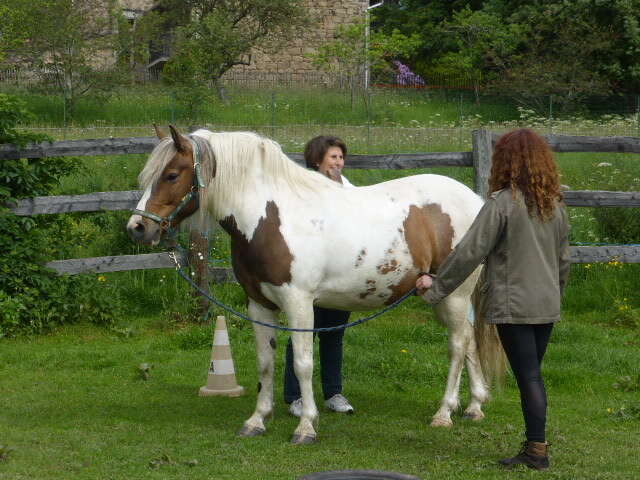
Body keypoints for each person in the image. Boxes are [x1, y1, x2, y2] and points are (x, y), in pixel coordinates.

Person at [416, 128, 570, 470]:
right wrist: (554, 297)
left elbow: (470, 251)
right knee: (532, 375)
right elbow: (563, 262)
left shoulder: (502, 204)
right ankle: (536, 446)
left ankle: (536, 451)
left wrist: (435, 285)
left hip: (513, 306)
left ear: (506, 162)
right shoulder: (555, 206)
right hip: (546, 304)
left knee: (529, 376)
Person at [284, 135, 355, 417]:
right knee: (302, 334)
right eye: (333, 157)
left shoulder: (348, 188)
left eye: (340, 157)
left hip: (339, 275)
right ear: (317, 160)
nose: (338, 162)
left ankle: (333, 392)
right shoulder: (303, 188)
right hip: (308, 275)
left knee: (334, 335)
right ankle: (295, 396)